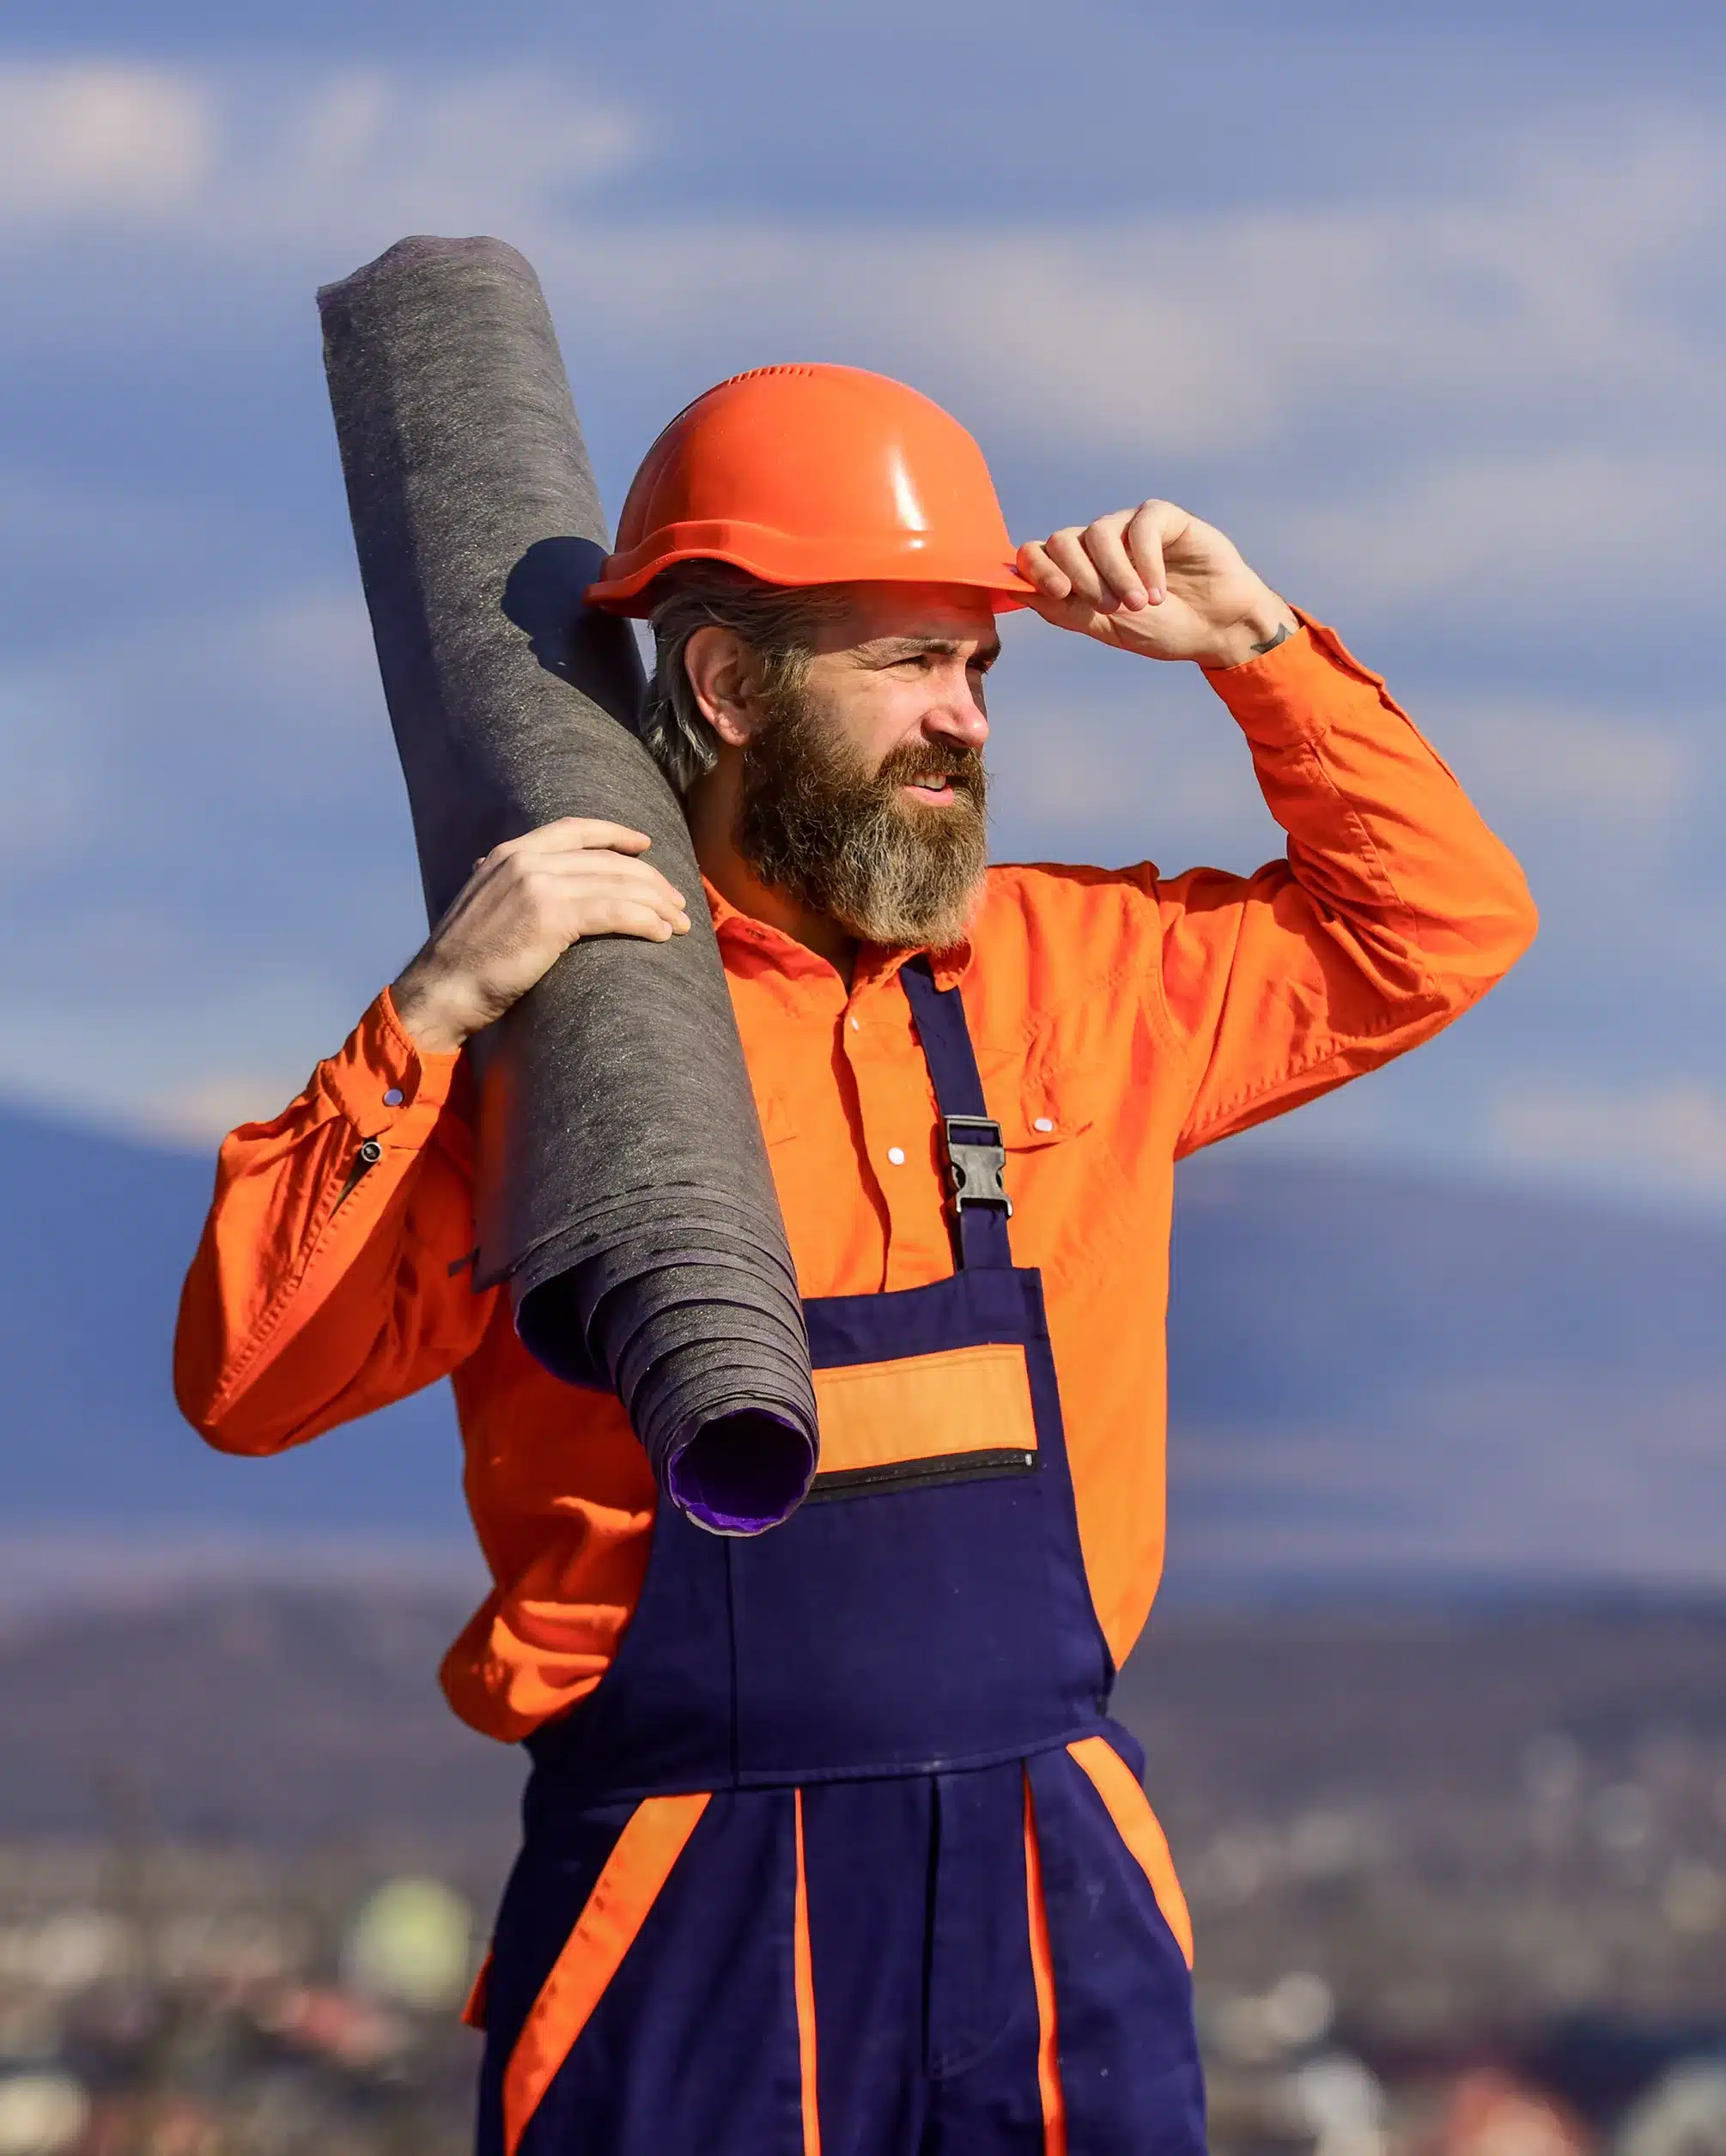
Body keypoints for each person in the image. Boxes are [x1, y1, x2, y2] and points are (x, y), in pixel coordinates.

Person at [174, 363, 1535, 2156]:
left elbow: (1439, 926)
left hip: (1057, 1881)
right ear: (730, 685)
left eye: (978, 665)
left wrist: (1257, 645)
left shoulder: (1077, 979)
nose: (963, 718)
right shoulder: (571, 1041)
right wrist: (431, 1014)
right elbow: (250, 1380)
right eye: (907, 661)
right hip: (685, 1899)